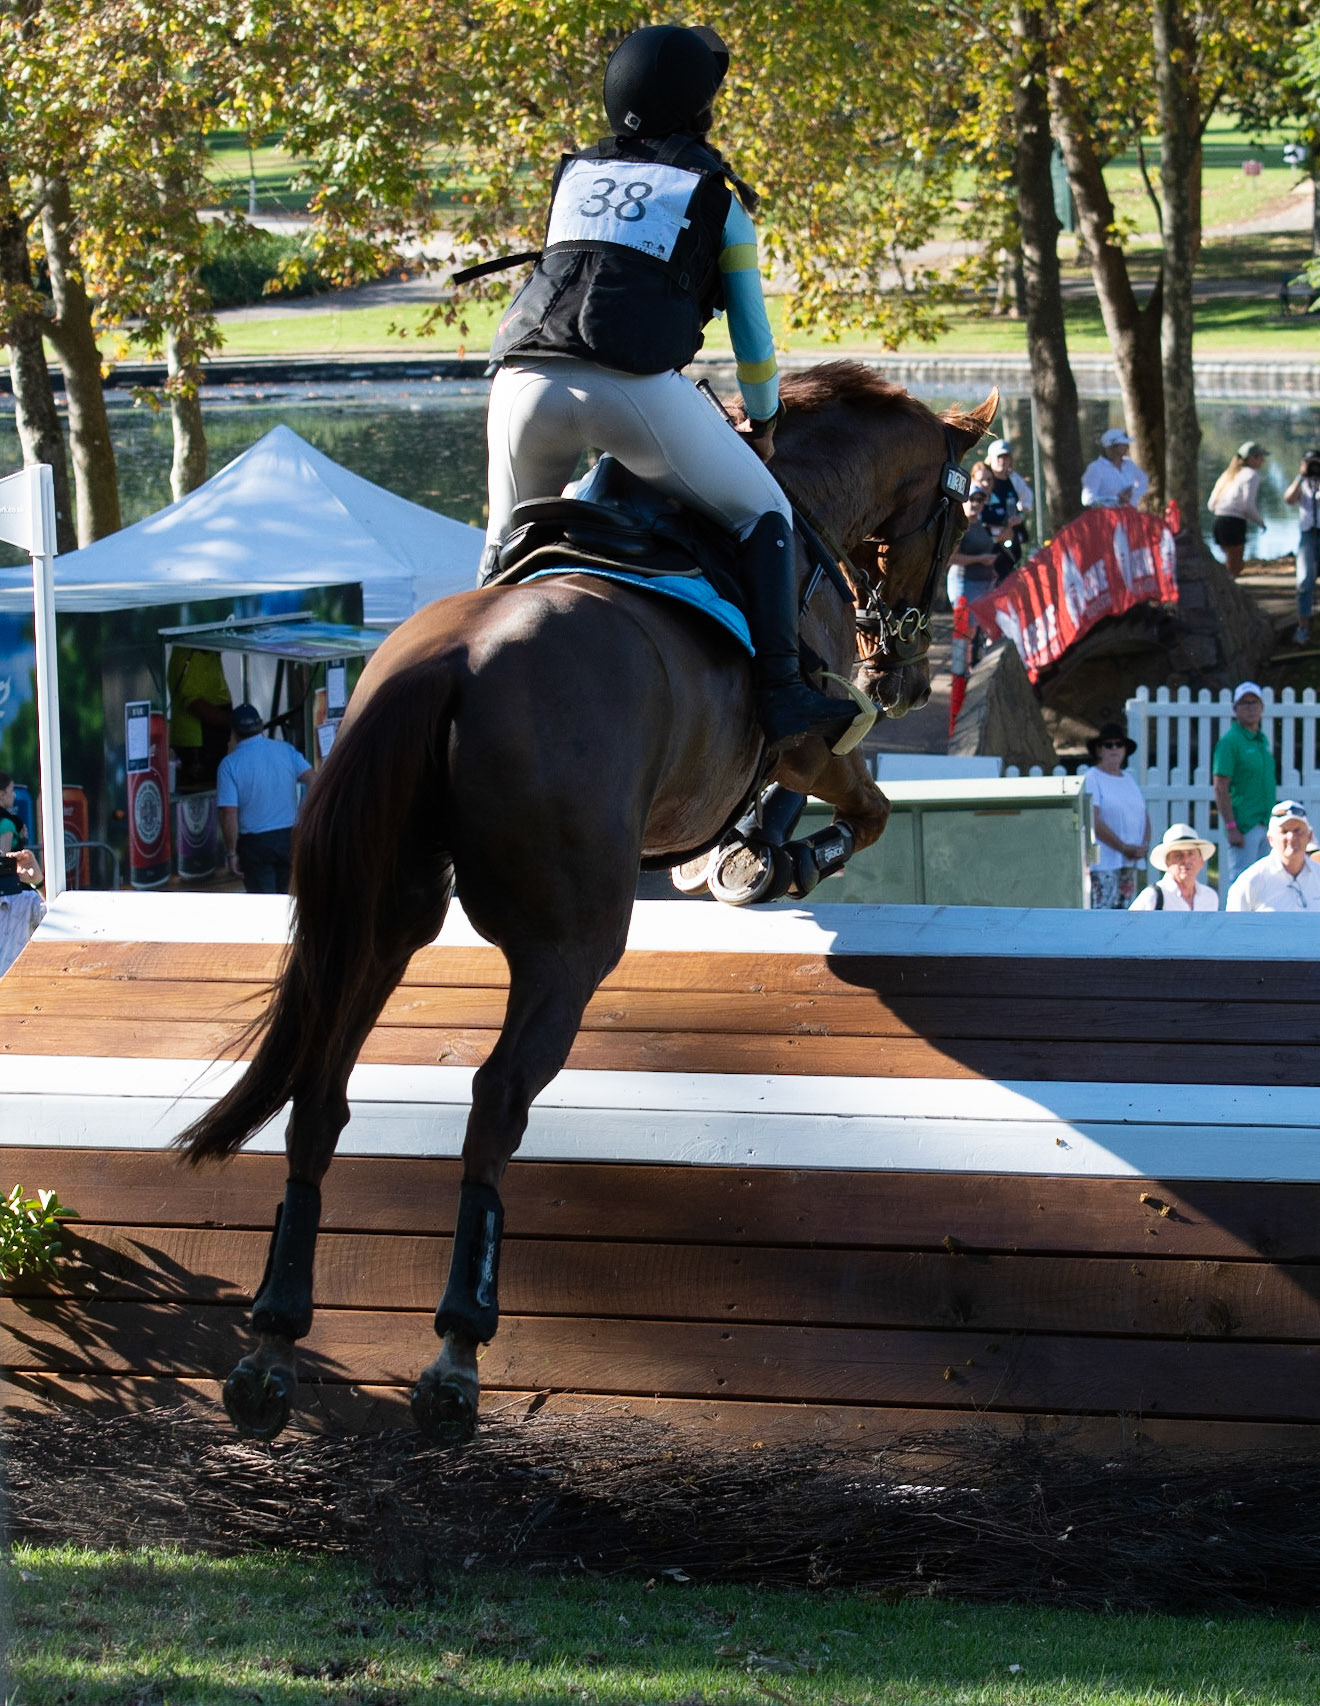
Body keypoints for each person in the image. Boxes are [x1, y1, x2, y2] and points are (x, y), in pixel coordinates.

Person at [478, 24, 850, 748]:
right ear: (699, 109)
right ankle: (783, 695)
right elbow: (753, 343)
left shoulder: (574, 176)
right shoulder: (717, 197)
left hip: (521, 379)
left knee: (501, 551)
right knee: (765, 511)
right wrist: (766, 425)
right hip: (628, 387)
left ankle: (468, 677)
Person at [216, 704, 314, 895]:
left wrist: (232, 852)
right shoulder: (286, 750)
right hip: (289, 836)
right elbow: (314, 780)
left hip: (255, 845)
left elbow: (229, 812)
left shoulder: (229, 765)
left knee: (263, 907)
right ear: (261, 725)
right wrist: (303, 817)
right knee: (289, 902)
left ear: (234, 732)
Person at [1211, 682, 1276, 886]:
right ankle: (1236, 920)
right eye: (1244, 703)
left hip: (1265, 824)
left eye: (1254, 702)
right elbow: (1220, 786)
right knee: (1242, 884)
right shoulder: (1230, 742)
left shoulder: (1261, 741)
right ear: (1235, 709)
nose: (1250, 708)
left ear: (1262, 707)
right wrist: (1231, 826)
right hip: (1244, 826)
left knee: (1265, 883)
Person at [1082, 722, 1150, 909]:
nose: (1114, 749)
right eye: (1108, 745)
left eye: (1118, 745)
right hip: (1105, 862)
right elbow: (1093, 820)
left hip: (1131, 861)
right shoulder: (1092, 778)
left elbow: (1143, 814)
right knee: (1104, 914)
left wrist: (1143, 846)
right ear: (1099, 750)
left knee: (1130, 914)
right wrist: (1123, 847)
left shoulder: (1129, 779)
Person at [1225, 800, 1320, 911]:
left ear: (1309, 836)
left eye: (1297, 830)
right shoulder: (1250, 881)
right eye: (1284, 831)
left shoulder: (1317, 875)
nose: (1291, 837)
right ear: (1270, 839)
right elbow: (1233, 926)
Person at [168, 645, 233, 790]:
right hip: (199, 745)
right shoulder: (196, 651)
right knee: (203, 799)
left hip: (207, 743)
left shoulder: (205, 651)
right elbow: (193, 702)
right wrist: (231, 720)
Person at [0, 770, 45, 976]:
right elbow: (7, 853)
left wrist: (39, 884)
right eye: (11, 791)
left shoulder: (24, 905)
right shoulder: (7, 822)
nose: (14, 795)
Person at [1207, 442, 1268, 579]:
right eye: (1260, 457)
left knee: (1230, 562)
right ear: (1251, 458)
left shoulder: (1227, 474)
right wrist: (1260, 522)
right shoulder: (1251, 475)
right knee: (1235, 567)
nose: (1263, 461)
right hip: (1233, 523)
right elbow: (1248, 506)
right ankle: (1227, 596)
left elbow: (1211, 505)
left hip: (1218, 522)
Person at [1129, 823, 1219, 911]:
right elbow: (1129, 925)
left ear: (1201, 860)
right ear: (1167, 862)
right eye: (1178, 855)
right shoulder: (1153, 896)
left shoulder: (1210, 897)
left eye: (1191, 854)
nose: (1186, 860)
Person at [1283, 448, 1320, 645]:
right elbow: (1288, 499)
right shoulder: (1303, 483)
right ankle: (1303, 627)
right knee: (1304, 582)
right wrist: (1301, 476)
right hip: (1308, 535)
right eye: (1309, 463)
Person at [981, 437, 1034, 570]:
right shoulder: (984, 478)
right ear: (990, 458)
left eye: (1006, 457)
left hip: (1010, 537)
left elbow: (1028, 501)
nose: (1002, 461)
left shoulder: (1014, 479)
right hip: (988, 540)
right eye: (999, 457)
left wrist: (1019, 516)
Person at [1081, 428, 1150, 510]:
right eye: (1123, 444)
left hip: (1129, 517)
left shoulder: (1129, 464)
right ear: (1113, 447)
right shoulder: (1095, 468)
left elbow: (1144, 480)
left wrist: (1132, 492)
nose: (1127, 447)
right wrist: (1115, 499)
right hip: (1107, 519)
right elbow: (1087, 500)